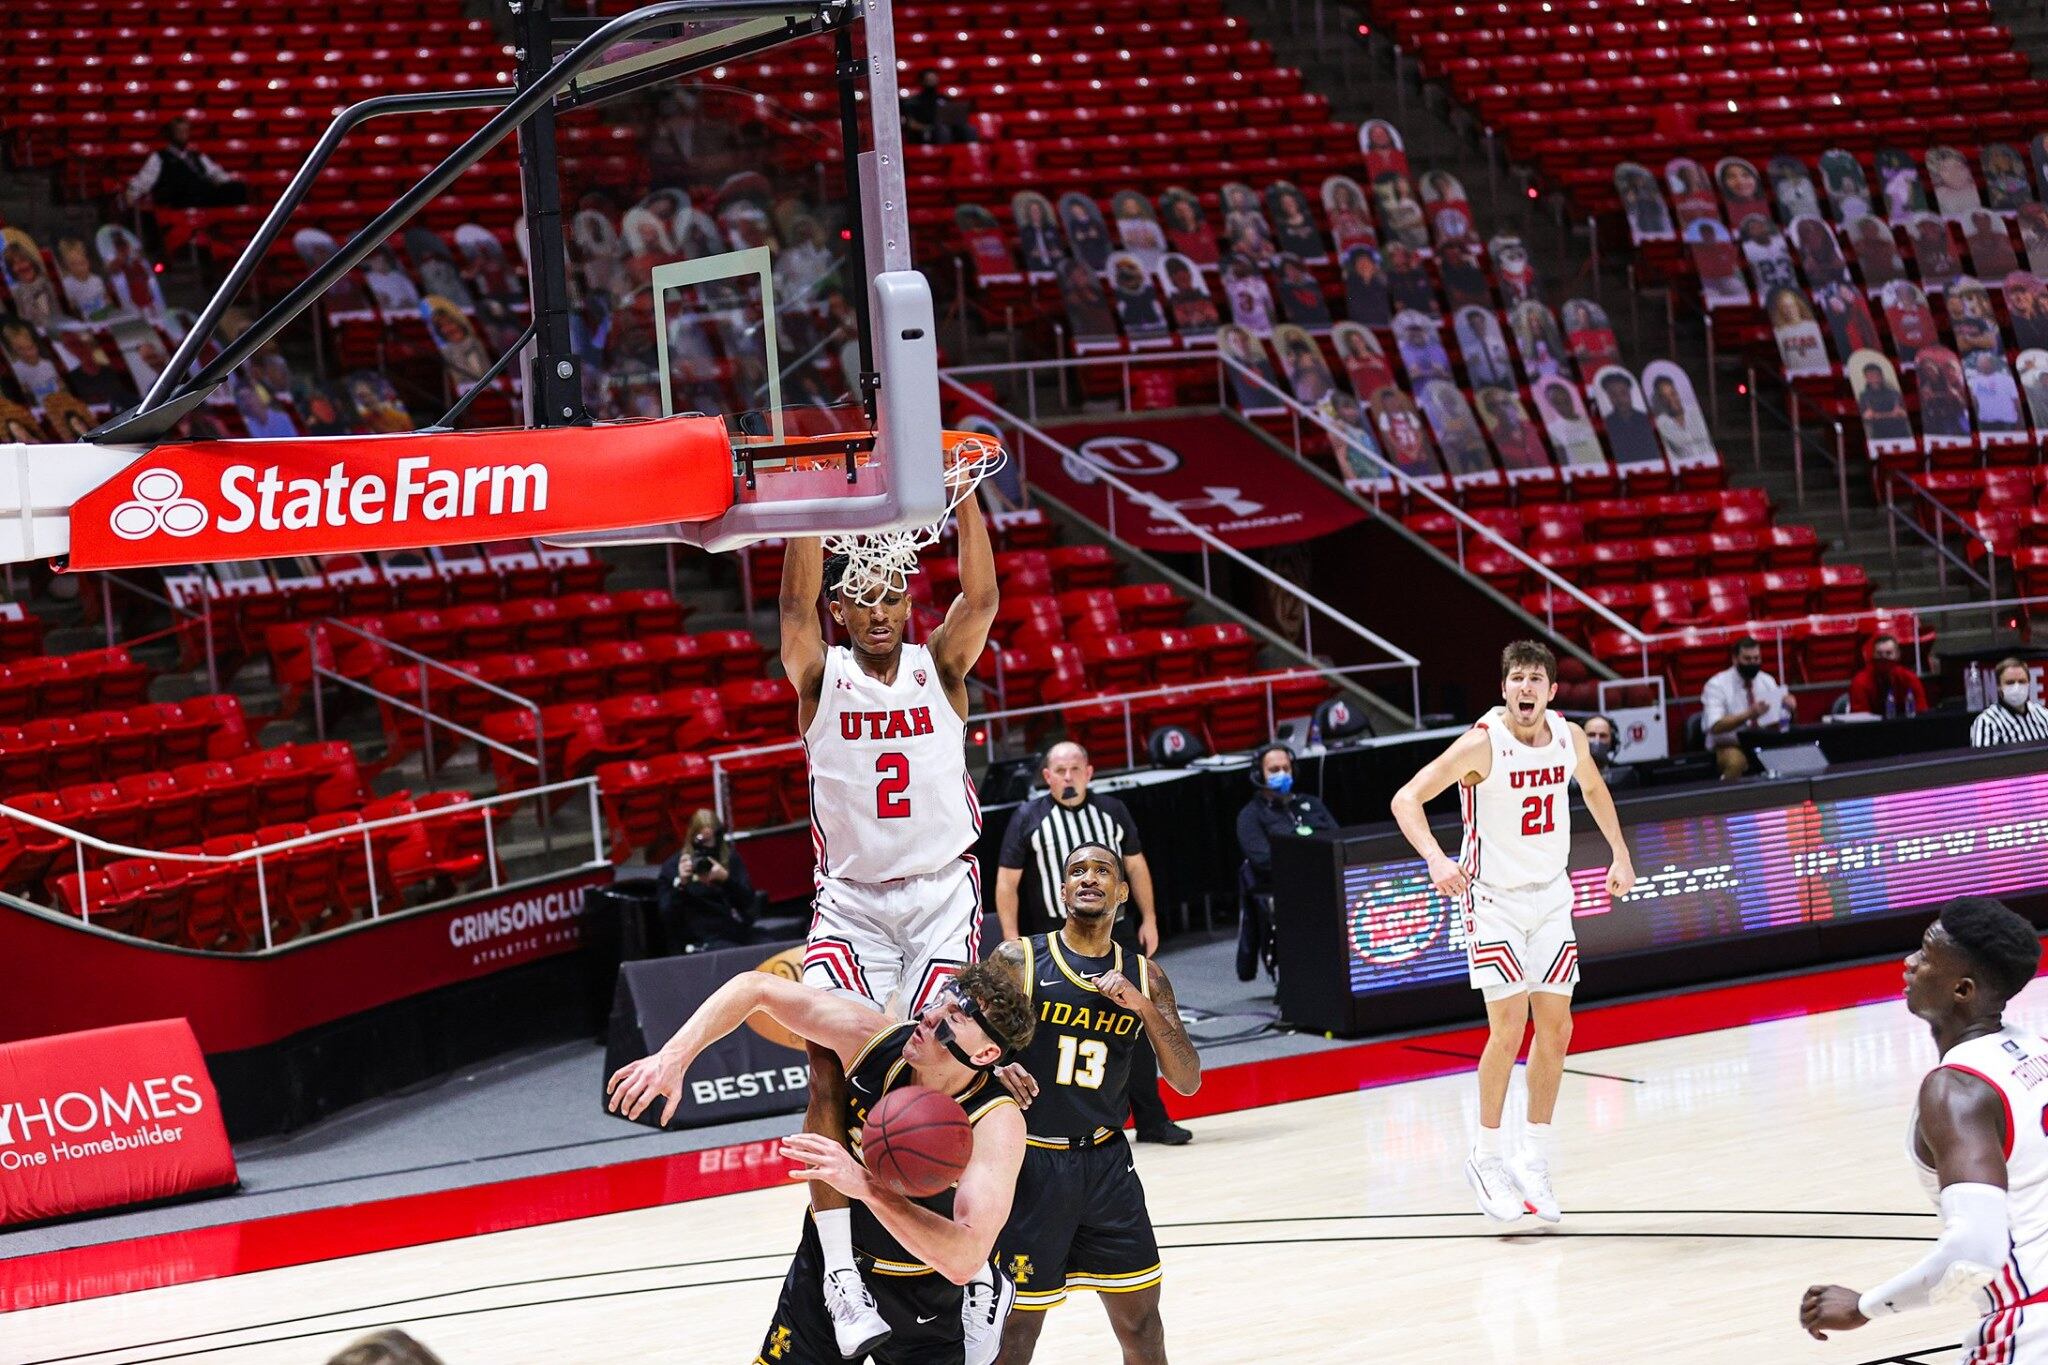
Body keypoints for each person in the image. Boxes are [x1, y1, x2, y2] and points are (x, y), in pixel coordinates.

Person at [779, 489, 1005, 1360]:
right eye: (862, 600)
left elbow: (981, 598)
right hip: (851, 904)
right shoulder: (819, 676)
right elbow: (792, 606)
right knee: (827, 1070)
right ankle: (843, 1278)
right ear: (840, 609)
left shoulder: (939, 667)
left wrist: (967, 495)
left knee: (944, 1076)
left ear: (910, 603)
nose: (879, 612)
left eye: (893, 598)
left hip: (941, 895)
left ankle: (978, 1267)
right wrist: (799, 506)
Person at [606, 962, 1033, 1364]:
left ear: (984, 1054)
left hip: (925, 1286)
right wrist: (674, 1056)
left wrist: (866, 1184)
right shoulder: (876, 1042)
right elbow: (756, 987)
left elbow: (962, 1259)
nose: (929, 1015)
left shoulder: (995, 1124)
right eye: (941, 1000)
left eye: (954, 1017)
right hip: (834, 1265)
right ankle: (840, 1278)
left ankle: (987, 1287)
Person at [1389, 641, 1635, 1226]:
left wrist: (1620, 853)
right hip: (1493, 900)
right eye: (1517, 678)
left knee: (1558, 1029)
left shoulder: (1569, 737)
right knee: (1508, 1029)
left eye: (1536, 679)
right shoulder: (1483, 743)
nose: (1527, 687)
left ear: (1552, 691)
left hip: (1551, 897)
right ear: (1504, 690)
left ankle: (1534, 1158)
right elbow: (1406, 798)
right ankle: (1486, 1157)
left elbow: (1593, 789)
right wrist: (1436, 858)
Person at [1798, 897, 2047, 1357]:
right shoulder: (2039, 1049)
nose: (1910, 962)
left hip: (2030, 1328)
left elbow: (1975, 1252)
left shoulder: (1957, 1089)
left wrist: (1864, 1306)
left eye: (1927, 956)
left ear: (1962, 990)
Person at [992, 843, 1201, 1362]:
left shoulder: (1146, 976)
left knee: (1143, 1326)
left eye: (1102, 871)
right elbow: (952, 1047)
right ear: (1062, 892)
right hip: (1030, 1164)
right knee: (1015, 1334)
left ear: (1122, 892)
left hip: (1107, 1165)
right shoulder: (1018, 960)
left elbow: (1187, 1080)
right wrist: (993, 1070)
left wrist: (1142, 1006)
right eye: (1077, 872)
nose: (1089, 878)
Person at [994, 742, 1188, 1146]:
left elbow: (1136, 866)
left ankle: (1151, 1118)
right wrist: (1010, 936)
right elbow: (1007, 881)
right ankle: (1041, 1123)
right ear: (1047, 777)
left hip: (1114, 930)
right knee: (1046, 1031)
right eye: (1060, 770)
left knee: (1131, 1026)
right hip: (1056, 933)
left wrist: (1150, 917)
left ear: (1089, 772)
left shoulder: (1113, 810)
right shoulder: (1028, 817)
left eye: (1075, 769)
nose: (1068, 777)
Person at [654, 810, 763, 950]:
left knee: (768, 946)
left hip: (733, 929)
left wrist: (726, 880)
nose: (705, 848)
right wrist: (681, 883)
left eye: (709, 841)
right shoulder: (674, 866)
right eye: (701, 841)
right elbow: (667, 916)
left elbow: (748, 902)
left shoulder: (729, 859)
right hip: (699, 937)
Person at [1699, 636, 1792, 780]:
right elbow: (1715, 726)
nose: (1753, 663)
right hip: (1728, 745)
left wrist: (1789, 708)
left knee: (1791, 756)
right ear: (1735, 659)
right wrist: (1748, 714)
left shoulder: (1767, 681)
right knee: (1736, 762)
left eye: (1756, 658)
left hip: (1762, 742)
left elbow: (1780, 723)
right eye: (1747, 659)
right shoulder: (1716, 685)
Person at [120, 117, 250, 210]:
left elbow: (216, 173)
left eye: (186, 131)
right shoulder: (159, 157)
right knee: (189, 188)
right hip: (178, 198)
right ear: (171, 133)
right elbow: (144, 180)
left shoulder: (196, 156)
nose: (183, 135)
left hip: (201, 195)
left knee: (237, 188)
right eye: (179, 131)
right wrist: (131, 195)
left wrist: (226, 183)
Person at [1848, 631, 1930, 718]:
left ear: (1898, 655)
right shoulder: (1860, 682)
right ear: (1872, 656)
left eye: (1888, 653)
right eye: (1879, 654)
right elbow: (1860, 719)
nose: (1884, 658)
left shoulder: (1909, 679)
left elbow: (1921, 713)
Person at [1971, 658, 2048, 747]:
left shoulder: (2043, 714)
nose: (2017, 687)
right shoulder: (1987, 723)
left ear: (2029, 683)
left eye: (2022, 681)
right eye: (2010, 683)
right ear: (1999, 687)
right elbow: (1984, 756)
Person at [1580, 714, 1638, 790]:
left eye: (1603, 736)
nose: (1597, 740)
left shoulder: (1625, 777)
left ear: (1612, 741)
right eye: (1591, 735)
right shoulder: (1569, 775)